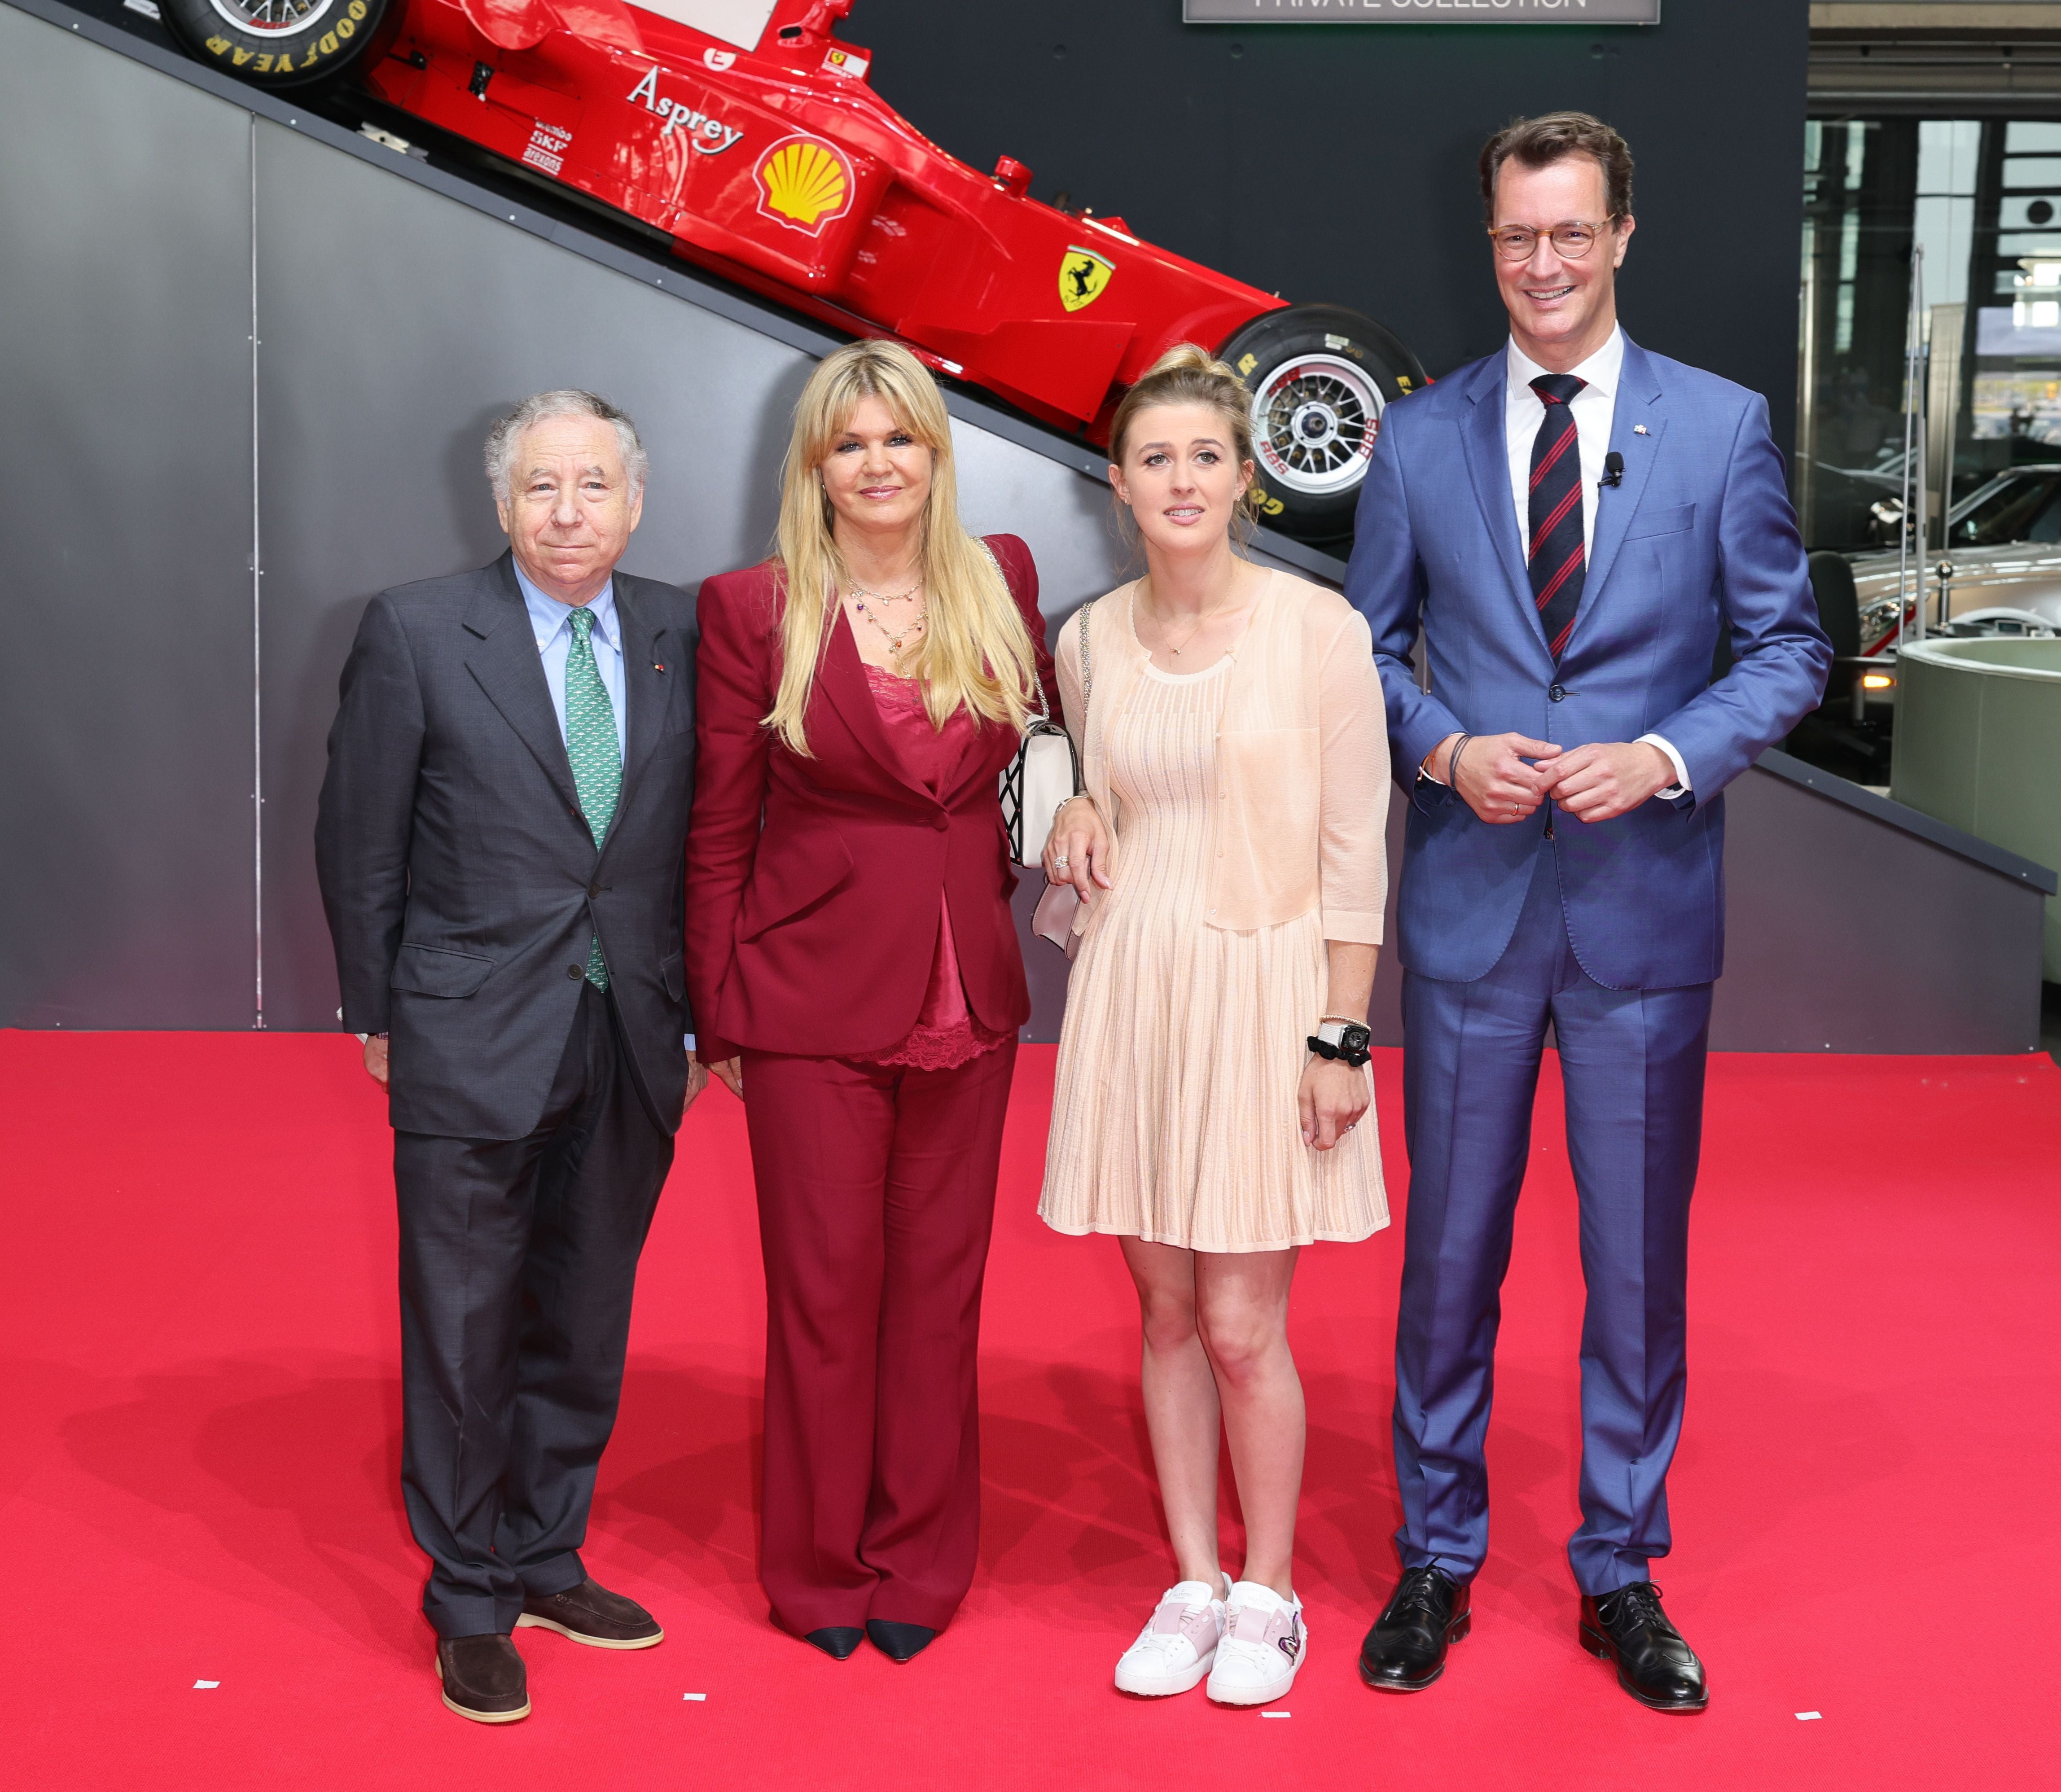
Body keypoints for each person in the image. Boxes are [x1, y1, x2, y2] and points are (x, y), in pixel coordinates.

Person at [1342, 112, 1828, 1712]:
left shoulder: (1724, 428)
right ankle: (1435, 1554)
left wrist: (1669, 755)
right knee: (1448, 1261)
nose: (1539, 266)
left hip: (1640, 913)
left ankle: (1621, 1570)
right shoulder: (1416, 439)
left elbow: (1785, 649)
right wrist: (1444, 745)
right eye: (1512, 238)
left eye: (1567, 235)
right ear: (1484, 242)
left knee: (1635, 1270)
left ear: (1622, 234)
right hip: (1471, 909)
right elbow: (1369, 650)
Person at [316, 389, 707, 1727]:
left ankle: (546, 1553)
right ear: (501, 505)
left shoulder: (681, 632)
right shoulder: (418, 630)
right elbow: (359, 837)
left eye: (594, 485)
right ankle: (469, 1596)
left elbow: (705, 844)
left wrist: (700, 1013)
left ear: (635, 502)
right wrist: (379, 1013)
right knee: (466, 1326)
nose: (568, 512)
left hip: (632, 1033)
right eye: (541, 487)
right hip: (468, 1029)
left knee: (584, 1316)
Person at [688, 338, 1055, 1667]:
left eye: (898, 438)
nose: (877, 464)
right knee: (824, 1294)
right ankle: (815, 1570)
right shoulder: (752, 609)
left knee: (940, 1293)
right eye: (849, 444)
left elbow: (1051, 760)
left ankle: (921, 1557)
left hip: (972, 995)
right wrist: (716, 1016)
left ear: (936, 451)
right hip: (805, 999)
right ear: (815, 468)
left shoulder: (1002, 578)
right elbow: (718, 828)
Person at [1036, 346, 1392, 1709]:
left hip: (1267, 991)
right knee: (1166, 1310)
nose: (1178, 480)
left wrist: (1340, 1032)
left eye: (1203, 457)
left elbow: (1356, 844)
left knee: (1246, 1323)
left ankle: (1271, 1594)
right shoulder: (1085, 637)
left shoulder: (1320, 630)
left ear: (1245, 478)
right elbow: (1094, 795)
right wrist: (1075, 805)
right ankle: (1191, 1578)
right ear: (1117, 485)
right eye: (1152, 459)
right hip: (1133, 986)